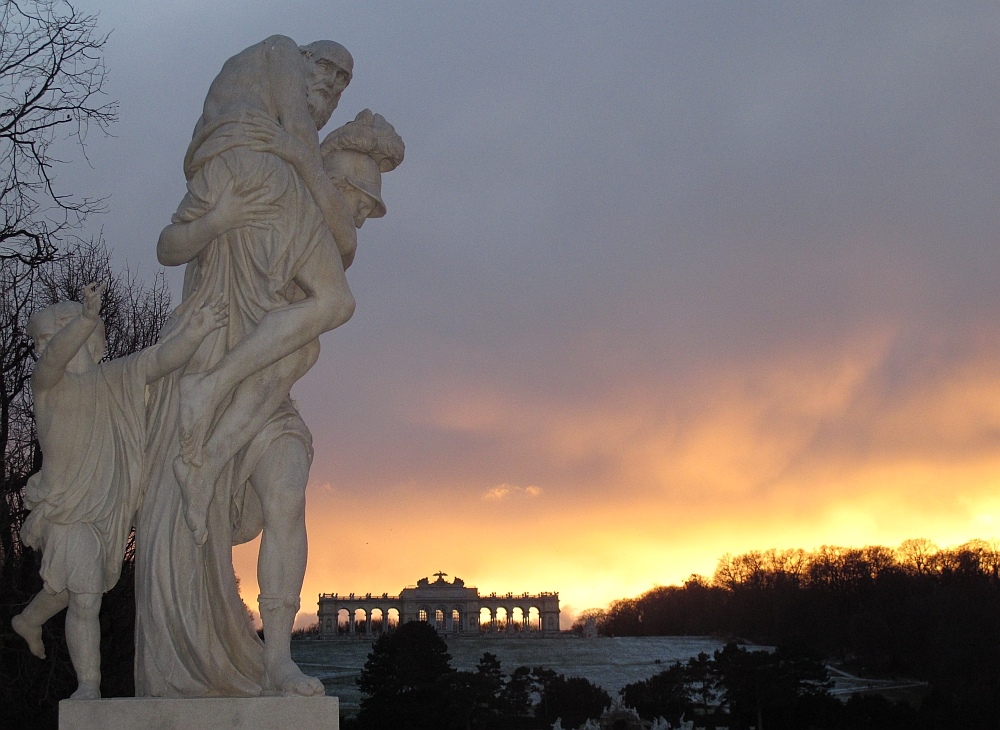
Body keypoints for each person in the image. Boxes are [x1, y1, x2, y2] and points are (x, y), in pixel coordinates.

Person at [135, 37, 398, 698]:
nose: (360, 213)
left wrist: (300, 158)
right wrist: (222, 215)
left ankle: (277, 658)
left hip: (262, 389)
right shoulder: (252, 165)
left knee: (286, 487)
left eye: (365, 206)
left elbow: (338, 241)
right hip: (214, 350)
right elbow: (171, 244)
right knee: (305, 344)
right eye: (358, 196)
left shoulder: (326, 231)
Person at [11, 283, 226, 700]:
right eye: (40, 341)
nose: (42, 349)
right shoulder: (48, 385)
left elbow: (158, 361)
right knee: (86, 595)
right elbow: (54, 360)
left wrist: (197, 331)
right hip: (66, 508)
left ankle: (29, 619)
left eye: (46, 338)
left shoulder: (113, 378)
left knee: (69, 584)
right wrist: (87, 318)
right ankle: (88, 686)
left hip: (105, 509)